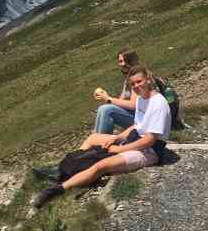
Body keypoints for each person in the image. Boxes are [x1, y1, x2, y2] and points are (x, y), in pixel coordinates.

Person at [33, 65, 172, 208]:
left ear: (148, 79)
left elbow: (150, 140)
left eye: (139, 81)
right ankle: (64, 169)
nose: (136, 86)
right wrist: (116, 138)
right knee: (93, 138)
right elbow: (136, 125)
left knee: (101, 166)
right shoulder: (142, 99)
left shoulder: (158, 103)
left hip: (150, 152)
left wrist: (119, 150)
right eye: (133, 84)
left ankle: (56, 189)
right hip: (134, 139)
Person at [94, 47, 139, 134]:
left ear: (134, 61)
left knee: (106, 110)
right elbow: (120, 101)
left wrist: (109, 99)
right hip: (134, 116)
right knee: (103, 109)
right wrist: (106, 97)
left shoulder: (138, 77)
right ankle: (96, 140)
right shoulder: (128, 79)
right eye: (121, 61)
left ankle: (99, 143)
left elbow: (134, 105)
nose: (123, 64)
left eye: (126, 61)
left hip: (143, 120)